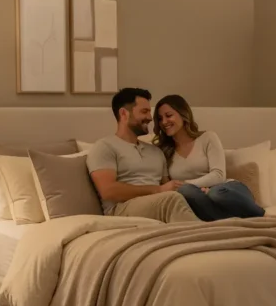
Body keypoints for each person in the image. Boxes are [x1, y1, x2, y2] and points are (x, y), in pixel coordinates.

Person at [86, 88, 201, 223]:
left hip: (160, 204)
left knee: (193, 199)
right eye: (144, 111)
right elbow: (108, 190)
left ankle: (217, 231)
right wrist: (158, 190)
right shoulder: (104, 146)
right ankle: (206, 235)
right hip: (122, 210)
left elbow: (168, 186)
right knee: (171, 200)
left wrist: (196, 191)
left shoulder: (156, 152)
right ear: (124, 114)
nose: (150, 118)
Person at [153, 94, 265, 222]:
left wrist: (191, 185)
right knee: (186, 192)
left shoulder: (208, 138)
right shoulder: (163, 152)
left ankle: (261, 214)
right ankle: (237, 219)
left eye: (168, 115)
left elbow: (218, 175)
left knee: (216, 193)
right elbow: (169, 188)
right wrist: (194, 191)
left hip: (226, 189)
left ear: (183, 114)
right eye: (160, 118)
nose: (164, 122)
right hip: (197, 198)